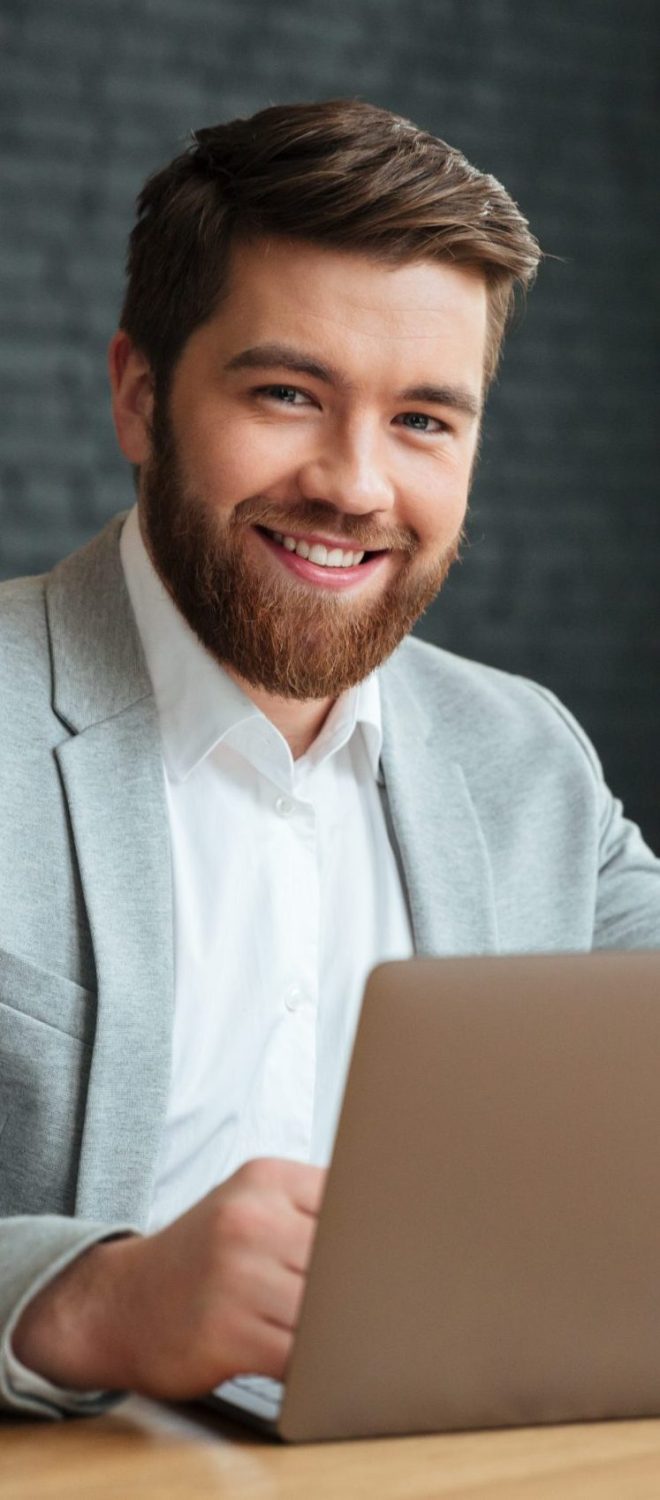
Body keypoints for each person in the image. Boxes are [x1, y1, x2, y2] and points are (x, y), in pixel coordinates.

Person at [1, 98, 659, 1420]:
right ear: (141, 396)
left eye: (424, 420)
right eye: (289, 394)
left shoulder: (530, 762)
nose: (356, 484)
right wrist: (94, 1301)